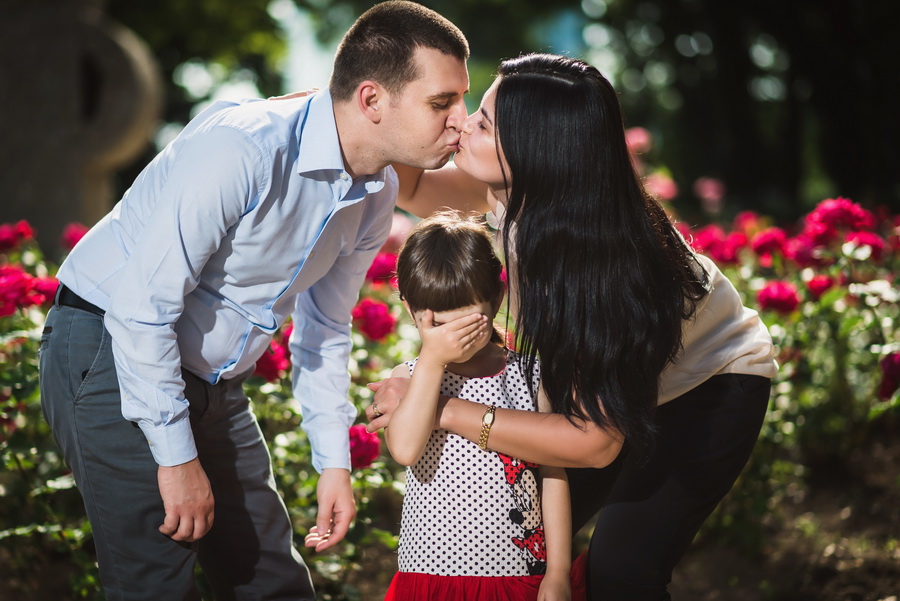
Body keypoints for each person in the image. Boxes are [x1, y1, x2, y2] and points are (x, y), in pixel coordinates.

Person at [37, 2, 470, 599]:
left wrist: (333, 464)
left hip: (214, 382)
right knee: (157, 583)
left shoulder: (377, 193)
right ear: (372, 100)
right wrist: (175, 457)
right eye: (441, 102)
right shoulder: (243, 149)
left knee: (274, 581)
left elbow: (324, 333)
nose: (461, 121)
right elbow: (141, 308)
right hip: (110, 350)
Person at [370, 53, 778, 601]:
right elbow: (412, 184)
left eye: (484, 122)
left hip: (709, 389)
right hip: (613, 389)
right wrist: (333, 111)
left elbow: (592, 445)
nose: (462, 123)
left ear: (536, 151)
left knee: (621, 568)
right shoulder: (516, 191)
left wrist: (438, 408)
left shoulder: (603, 264)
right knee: (513, 537)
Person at [380, 211, 580, 601]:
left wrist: (558, 573)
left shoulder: (528, 375)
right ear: (411, 311)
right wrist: (433, 360)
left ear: (497, 299)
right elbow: (404, 448)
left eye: (471, 324)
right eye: (440, 328)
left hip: (516, 574)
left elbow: (553, 476)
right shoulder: (408, 375)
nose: (456, 342)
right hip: (432, 573)